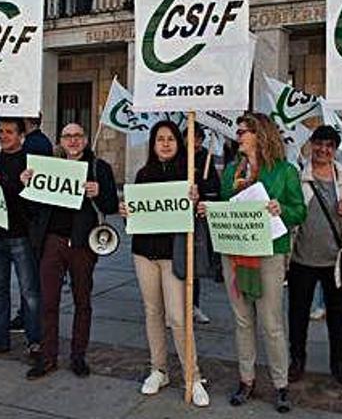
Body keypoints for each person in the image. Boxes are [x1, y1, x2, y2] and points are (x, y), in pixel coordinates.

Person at [202, 112, 307, 413]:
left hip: (269, 252)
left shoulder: (284, 171)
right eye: (238, 131)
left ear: (260, 134)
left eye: (243, 131)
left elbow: (300, 210)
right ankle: (246, 379)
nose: (238, 135)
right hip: (235, 252)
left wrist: (281, 209)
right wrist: (210, 207)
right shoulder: (233, 169)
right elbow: (226, 205)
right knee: (242, 320)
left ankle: (281, 384)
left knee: (271, 323)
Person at [119, 120, 209, 407]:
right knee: (152, 312)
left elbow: (203, 210)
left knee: (178, 317)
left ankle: (192, 376)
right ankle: (159, 369)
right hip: (144, 252)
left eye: (170, 138)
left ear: (178, 143)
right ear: (153, 144)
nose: (166, 143)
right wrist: (126, 210)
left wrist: (198, 198)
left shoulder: (190, 174)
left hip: (174, 255)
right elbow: (137, 212)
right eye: (160, 139)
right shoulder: (143, 174)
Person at [25, 123, 118, 379]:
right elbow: (33, 203)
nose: (73, 141)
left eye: (78, 136)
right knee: (48, 302)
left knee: (82, 301)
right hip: (53, 241)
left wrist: (99, 193)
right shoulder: (48, 166)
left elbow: (111, 205)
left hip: (83, 243)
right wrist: (28, 183)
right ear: (61, 141)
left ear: (86, 140)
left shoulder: (100, 168)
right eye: (68, 136)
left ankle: (78, 356)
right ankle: (48, 356)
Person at [287, 125, 342, 388]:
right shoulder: (298, 177)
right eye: (319, 144)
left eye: (329, 146)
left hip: (337, 263)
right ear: (311, 144)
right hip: (301, 260)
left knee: (337, 317)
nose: (323, 150)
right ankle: (297, 360)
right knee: (298, 314)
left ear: (335, 150)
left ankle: (339, 364)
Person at [0, 117, 42, 366]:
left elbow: (29, 199)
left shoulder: (29, 162)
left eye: (9, 132)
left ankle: (35, 340)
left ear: (21, 135)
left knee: (30, 293)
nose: (3, 136)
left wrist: (2, 180)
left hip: (21, 235)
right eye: (0, 131)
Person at [12, 114, 53, 332]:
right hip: (38, 214)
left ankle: (28, 317)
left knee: (29, 273)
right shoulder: (42, 141)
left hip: (33, 216)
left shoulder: (33, 144)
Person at [185, 125, 221, 325]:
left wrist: (204, 193)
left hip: (197, 219)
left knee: (194, 264)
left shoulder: (206, 159)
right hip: (177, 218)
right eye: (191, 137)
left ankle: (194, 306)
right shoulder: (180, 158)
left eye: (198, 138)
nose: (195, 142)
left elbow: (215, 189)